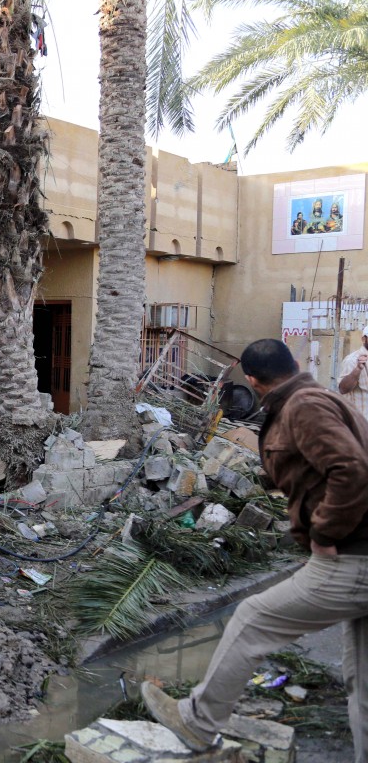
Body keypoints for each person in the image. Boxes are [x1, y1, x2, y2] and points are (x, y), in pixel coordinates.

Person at [141, 338, 368, 761]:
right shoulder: (320, 398)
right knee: (364, 684)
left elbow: (350, 469)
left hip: (353, 555)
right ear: (296, 363)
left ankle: (198, 720)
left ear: (250, 380)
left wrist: (323, 533)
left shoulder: (303, 407)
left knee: (251, 618)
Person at [338, 325, 368, 421]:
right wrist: (358, 369)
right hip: (358, 424)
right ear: (364, 339)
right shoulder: (352, 360)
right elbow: (343, 389)